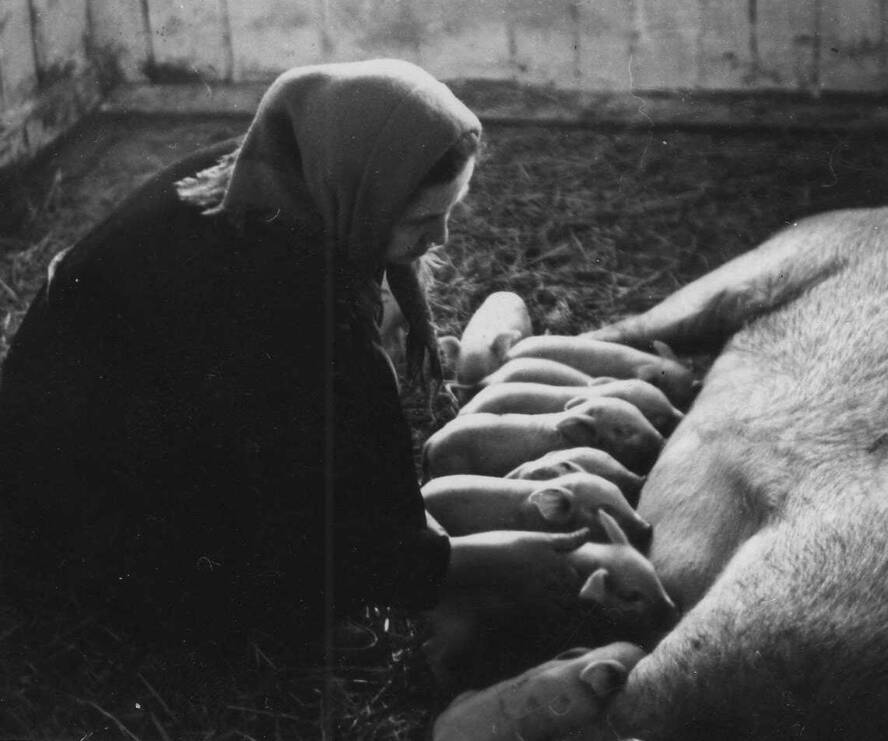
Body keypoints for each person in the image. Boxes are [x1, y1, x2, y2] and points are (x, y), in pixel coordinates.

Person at [0, 59, 585, 654]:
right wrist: (487, 560)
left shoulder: (269, 170)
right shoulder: (286, 294)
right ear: (365, 190)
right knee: (305, 561)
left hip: (67, 442)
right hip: (75, 526)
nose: (442, 239)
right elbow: (343, 489)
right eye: (424, 219)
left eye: (448, 213)